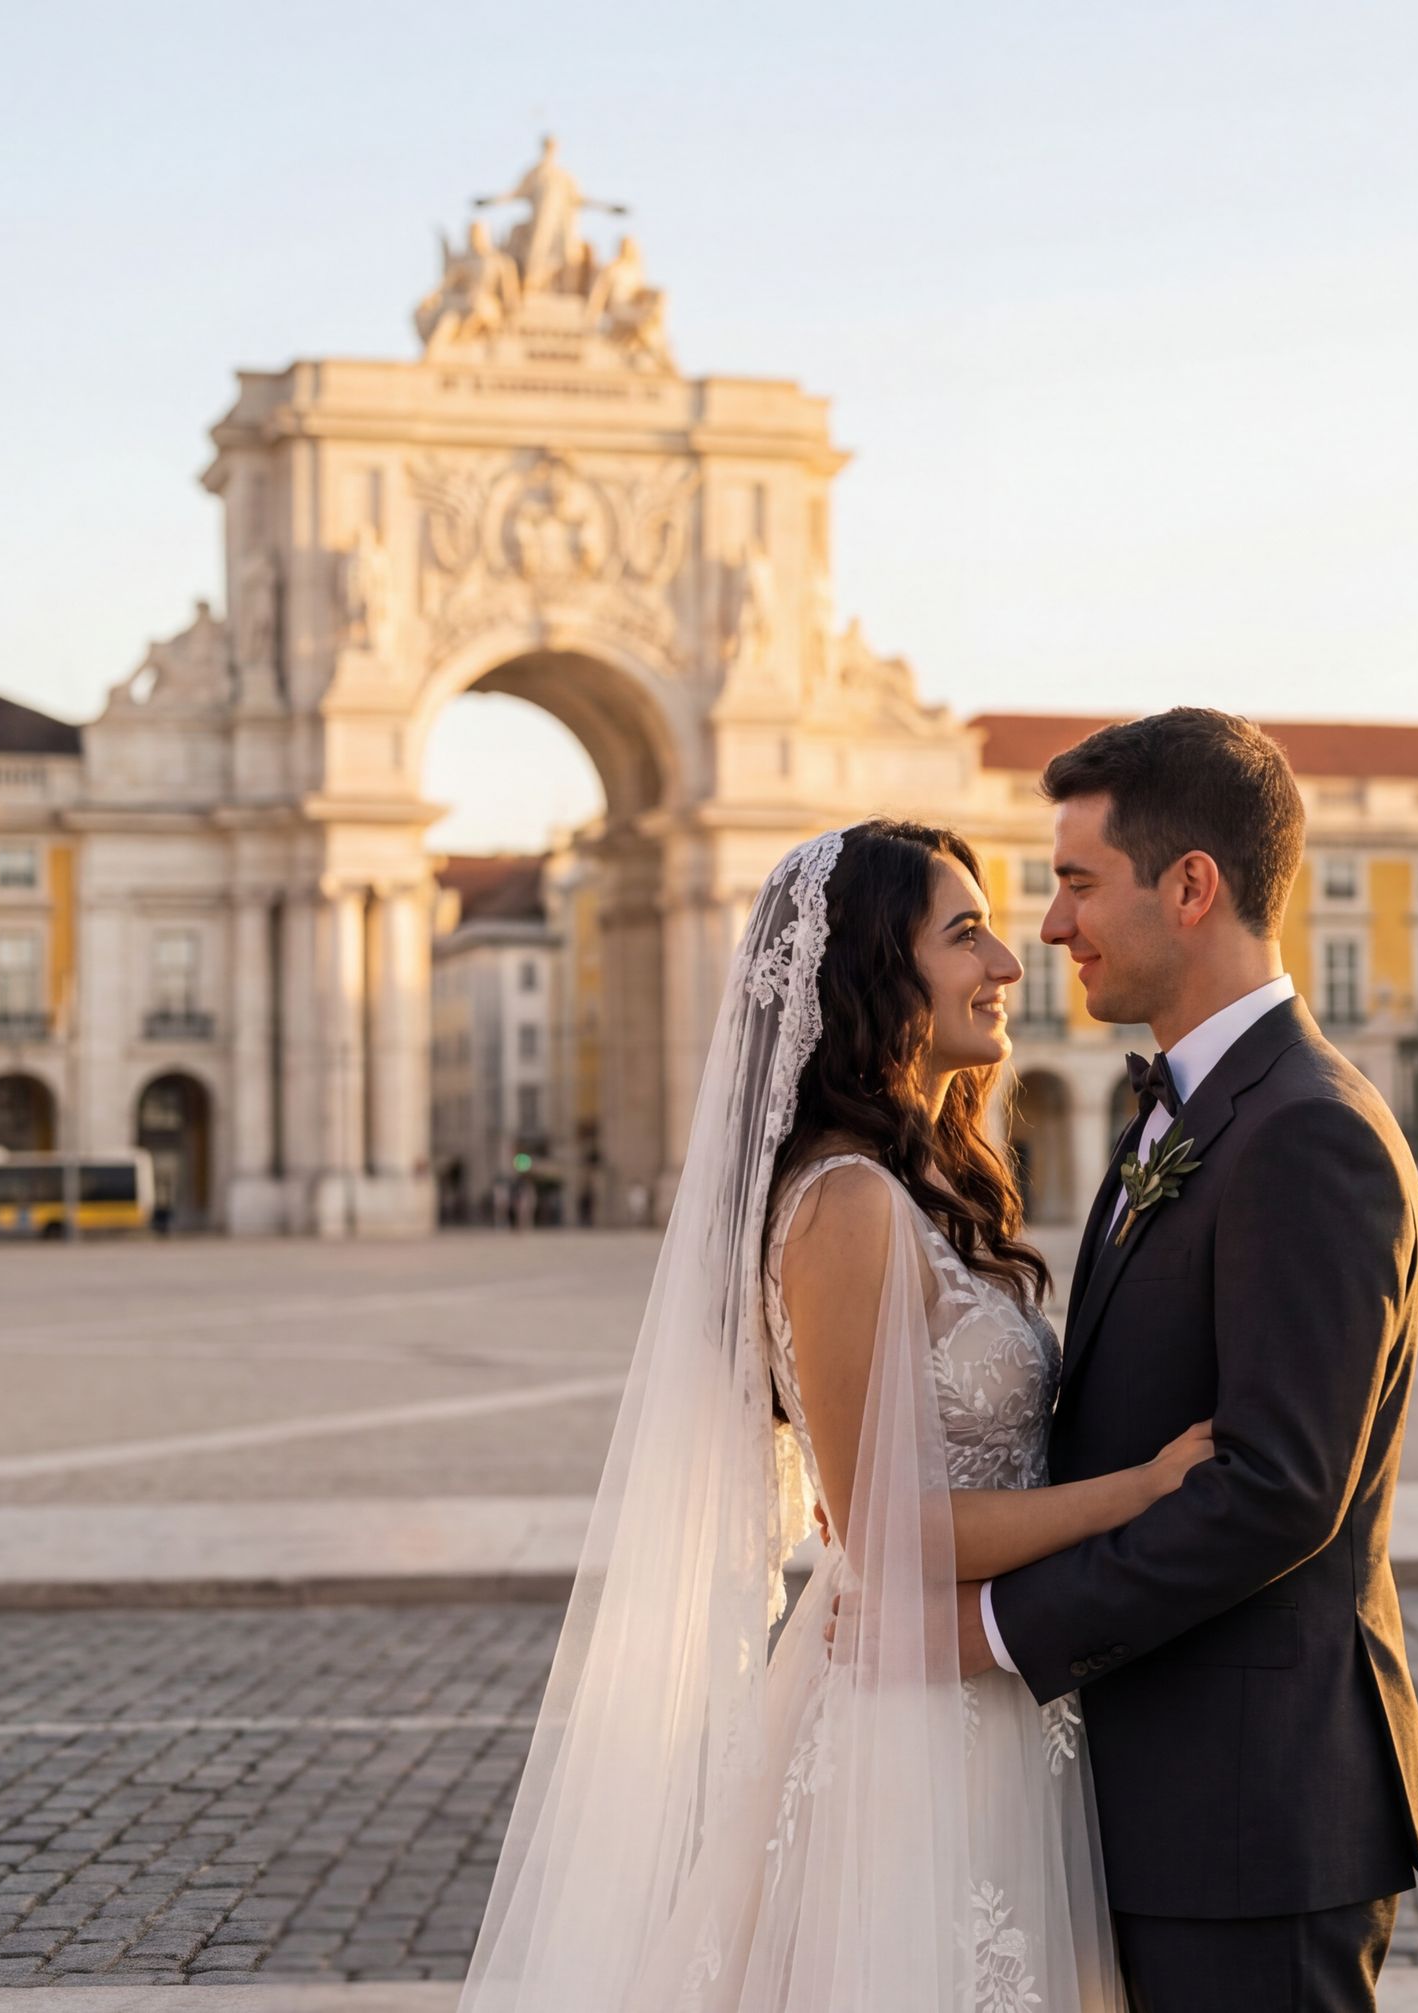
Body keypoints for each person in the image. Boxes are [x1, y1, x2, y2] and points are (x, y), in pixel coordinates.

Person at [460, 816, 1216, 2010]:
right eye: (965, 934)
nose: (1008, 962)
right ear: (874, 970)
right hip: (910, 1717)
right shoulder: (848, 1202)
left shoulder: (917, 1182)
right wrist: (1141, 1492)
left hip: (985, 1682)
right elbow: (883, 1525)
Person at [980, 708, 1418, 2010]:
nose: (1051, 927)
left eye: (1078, 883)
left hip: (1251, 1815)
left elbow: (1277, 1489)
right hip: (1170, 1798)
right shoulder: (1189, 1111)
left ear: (1190, 887)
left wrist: (995, 1627)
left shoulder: (1307, 1132)